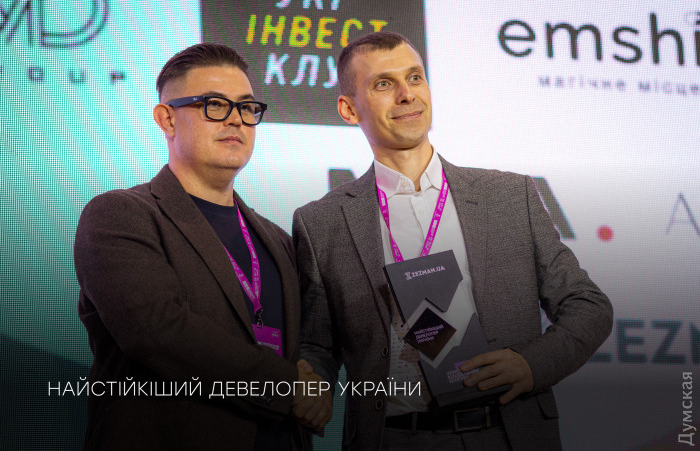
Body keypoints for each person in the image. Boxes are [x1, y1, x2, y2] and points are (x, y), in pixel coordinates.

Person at [293, 31, 613, 450]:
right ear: (349, 109)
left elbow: (589, 306)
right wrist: (310, 380)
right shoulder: (322, 222)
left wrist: (531, 365)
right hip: (393, 440)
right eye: (384, 84)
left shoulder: (510, 197)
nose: (407, 94)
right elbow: (318, 344)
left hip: (506, 434)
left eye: (415, 77)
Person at [74, 43, 330, 451]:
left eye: (246, 107)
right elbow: (157, 332)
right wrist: (286, 386)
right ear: (167, 119)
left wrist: (314, 387)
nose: (236, 119)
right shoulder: (120, 215)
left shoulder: (277, 239)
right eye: (215, 105)